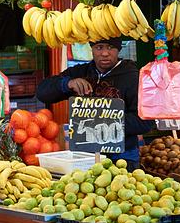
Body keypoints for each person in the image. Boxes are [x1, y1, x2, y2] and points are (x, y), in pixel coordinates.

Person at [36, 37, 152, 170]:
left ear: (119, 49)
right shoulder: (80, 72)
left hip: (123, 159)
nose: (104, 53)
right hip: (84, 158)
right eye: (99, 47)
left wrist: (102, 122)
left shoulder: (133, 77)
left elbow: (146, 122)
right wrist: (67, 84)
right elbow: (42, 92)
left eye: (110, 47)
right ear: (91, 49)